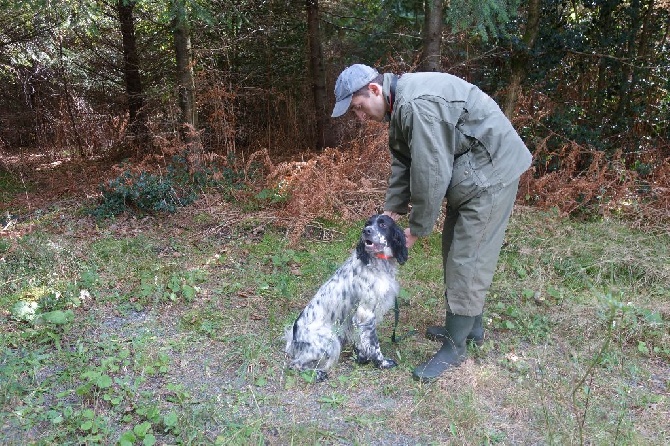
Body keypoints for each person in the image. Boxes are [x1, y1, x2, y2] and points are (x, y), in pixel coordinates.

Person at [331, 64, 532, 382]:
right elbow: (404, 160)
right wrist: (390, 212)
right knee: (455, 249)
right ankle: (471, 328)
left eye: (358, 108)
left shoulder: (416, 106)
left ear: (373, 90)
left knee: (468, 257)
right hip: (471, 171)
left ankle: (455, 348)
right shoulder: (399, 106)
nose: (360, 117)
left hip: (491, 172)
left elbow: (430, 172)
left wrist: (417, 229)